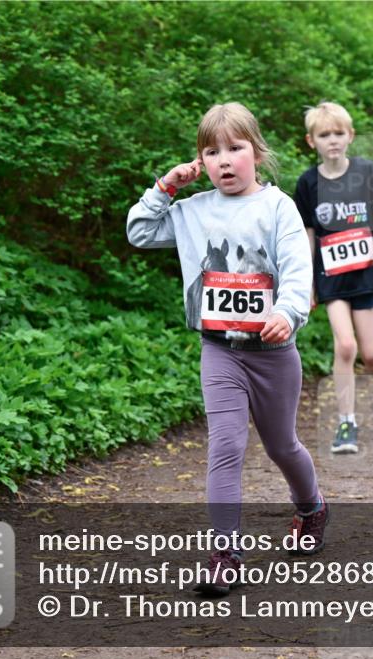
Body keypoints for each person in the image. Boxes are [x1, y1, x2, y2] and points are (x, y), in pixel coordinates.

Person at [126, 102, 328, 595]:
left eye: (234, 148)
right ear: (201, 161)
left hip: (273, 352)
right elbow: (139, 231)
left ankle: (311, 507)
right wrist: (166, 186)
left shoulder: (278, 207)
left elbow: (298, 269)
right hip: (220, 351)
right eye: (210, 152)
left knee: (282, 445)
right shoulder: (192, 211)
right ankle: (226, 553)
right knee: (226, 446)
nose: (223, 160)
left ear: (256, 153)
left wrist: (286, 312)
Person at [292, 102, 373, 455]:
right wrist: (307, 283)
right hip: (330, 276)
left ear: (350, 136)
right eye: (325, 135)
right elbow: (308, 235)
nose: (333, 140)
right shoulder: (308, 183)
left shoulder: (366, 172)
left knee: (371, 356)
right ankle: (346, 423)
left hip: (366, 274)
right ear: (312, 141)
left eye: (339, 133)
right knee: (345, 346)